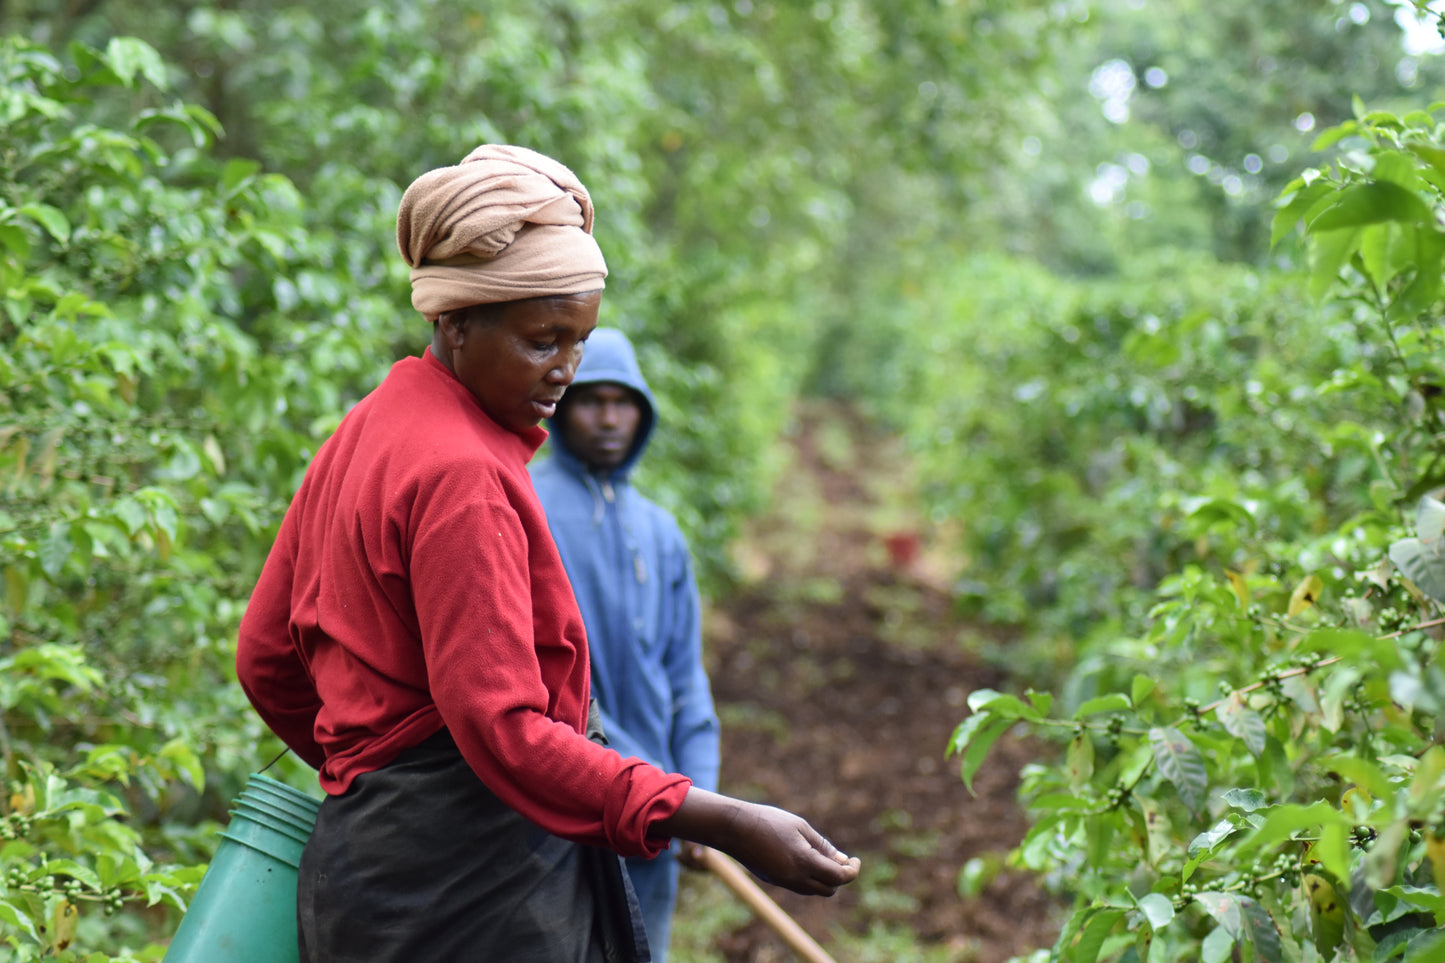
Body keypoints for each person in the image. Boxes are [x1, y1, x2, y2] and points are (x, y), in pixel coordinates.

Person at [235, 144, 859, 963]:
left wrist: (373, 769)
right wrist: (721, 816)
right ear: (456, 321)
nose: (565, 369)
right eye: (541, 341)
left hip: (367, 874)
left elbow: (265, 656)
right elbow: (503, 729)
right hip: (467, 894)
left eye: (579, 340)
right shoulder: (463, 474)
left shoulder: (371, 425)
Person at [531, 327, 719, 963]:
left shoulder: (660, 533)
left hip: (653, 816)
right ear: (562, 407)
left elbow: (684, 678)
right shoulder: (526, 505)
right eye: (591, 401)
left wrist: (699, 791)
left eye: (623, 403)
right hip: (557, 813)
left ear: (642, 414)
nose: (609, 419)